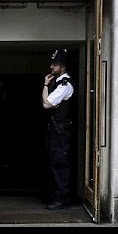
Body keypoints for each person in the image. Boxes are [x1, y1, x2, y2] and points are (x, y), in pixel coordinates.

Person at [41, 48, 74, 210]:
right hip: (55, 129)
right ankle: (55, 195)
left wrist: (45, 85)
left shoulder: (64, 84)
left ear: (62, 66)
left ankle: (62, 198)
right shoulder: (57, 82)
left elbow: (46, 104)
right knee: (53, 162)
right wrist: (47, 85)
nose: (51, 68)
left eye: (54, 64)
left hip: (61, 130)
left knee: (60, 164)